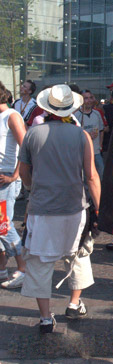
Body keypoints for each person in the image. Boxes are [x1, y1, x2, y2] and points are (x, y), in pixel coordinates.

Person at [18, 84, 100, 333]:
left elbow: (24, 173)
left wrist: (34, 189)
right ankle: (74, 304)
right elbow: (92, 177)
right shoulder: (81, 135)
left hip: (42, 208)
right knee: (78, 256)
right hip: (74, 207)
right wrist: (100, 208)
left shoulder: (33, 133)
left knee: (40, 261)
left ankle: (45, 318)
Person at [0, 82, 27, 289]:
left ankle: (23, 268)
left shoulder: (11, 115)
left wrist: (15, 175)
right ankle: (2, 268)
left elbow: (25, 146)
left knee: (4, 226)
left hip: (7, 177)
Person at [75, 90, 105, 178]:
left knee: (100, 174)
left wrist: (100, 145)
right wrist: (87, 135)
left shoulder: (97, 113)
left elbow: (101, 130)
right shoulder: (76, 116)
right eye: (86, 98)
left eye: (90, 98)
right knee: (85, 177)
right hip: (82, 153)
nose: (89, 100)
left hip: (96, 152)